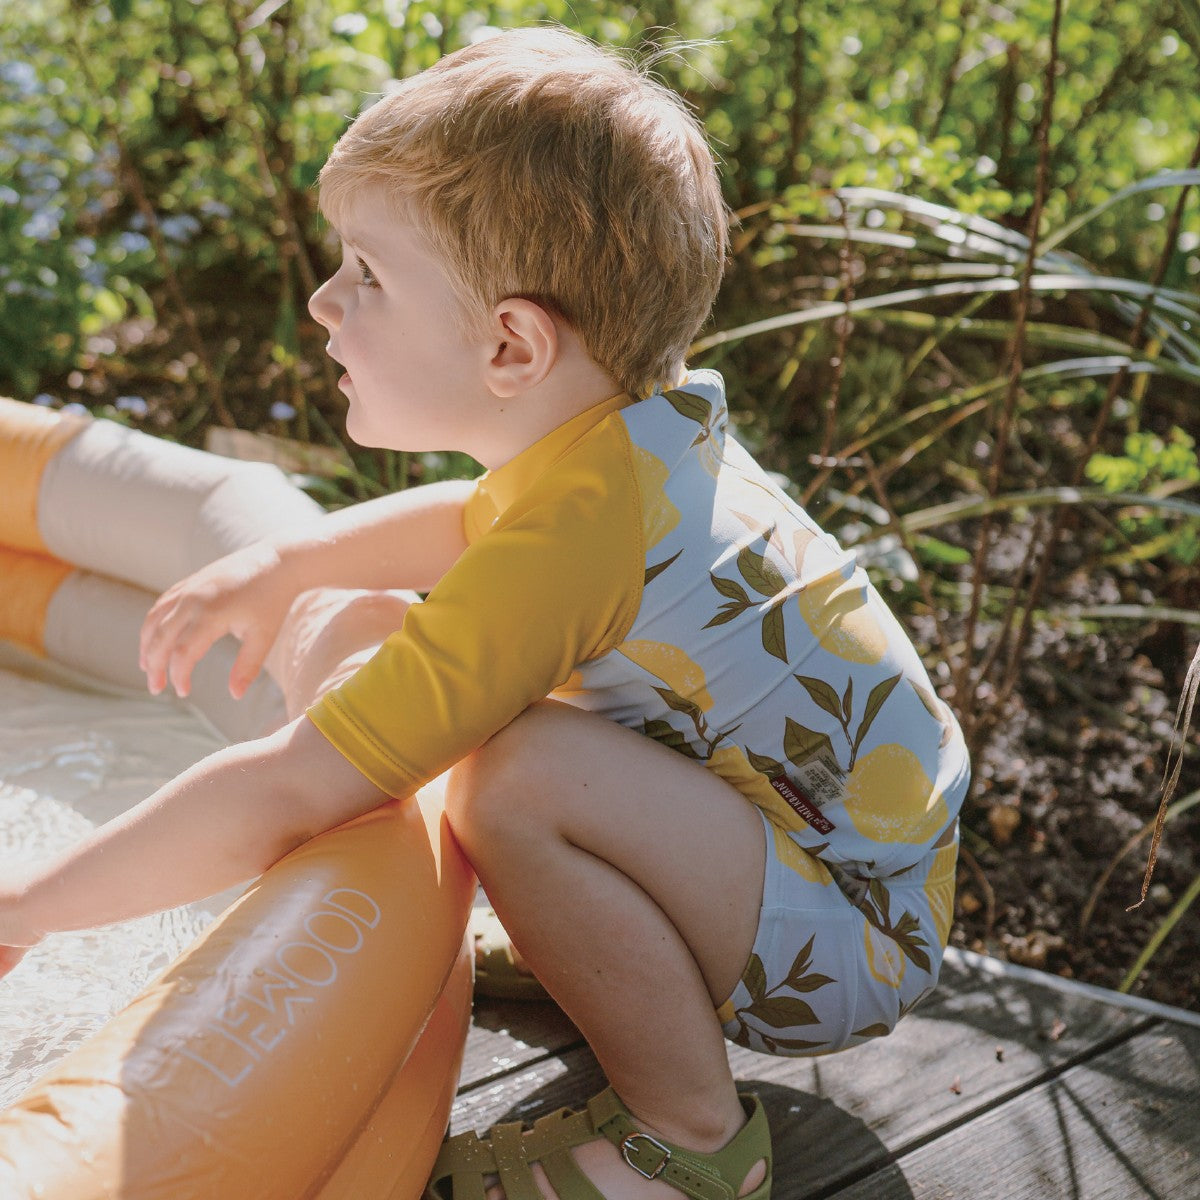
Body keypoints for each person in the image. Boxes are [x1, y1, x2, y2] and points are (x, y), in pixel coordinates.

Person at [0, 26, 970, 1200]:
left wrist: (29, 906)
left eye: (366, 274)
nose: (322, 301)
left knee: (512, 777)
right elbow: (477, 517)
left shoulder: (579, 537)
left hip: (846, 942)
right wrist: (286, 564)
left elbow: (296, 785)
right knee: (437, 696)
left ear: (512, 344)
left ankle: (693, 1139)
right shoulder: (621, 449)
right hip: (841, 878)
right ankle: (597, 950)